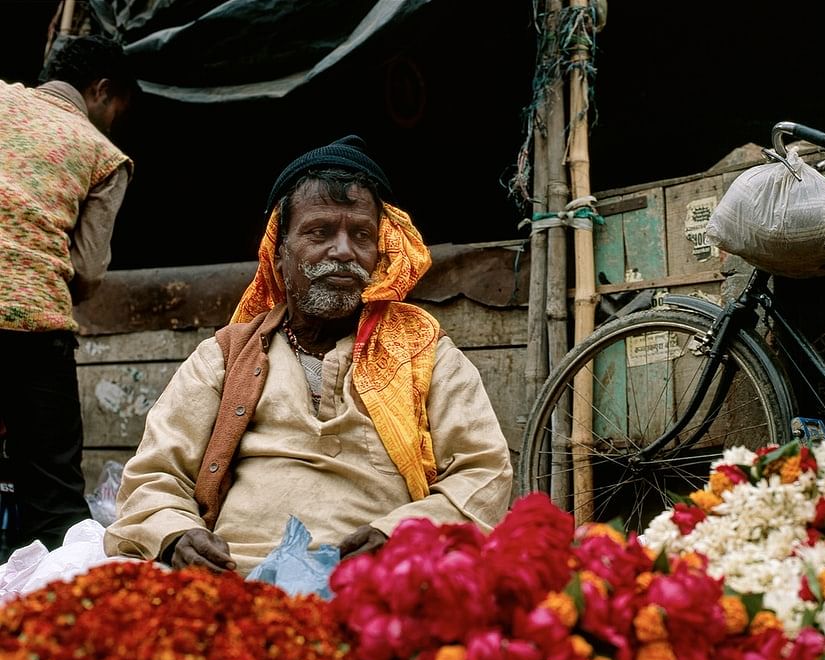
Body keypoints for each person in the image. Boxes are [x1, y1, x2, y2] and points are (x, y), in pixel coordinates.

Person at [104, 136, 513, 575]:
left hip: (375, 583)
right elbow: (153, 476)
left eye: (361, 235)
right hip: (233, 578)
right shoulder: (225, 355)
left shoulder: (424, 351)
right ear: (279, 255)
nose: (343, 251)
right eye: (319, 233)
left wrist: (398, 536)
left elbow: (483, 471)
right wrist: (177, 536)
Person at [0, 34, 137, 563]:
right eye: (117, 109)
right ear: (102, 91)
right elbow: (87, 269)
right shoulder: (104, 154)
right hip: (36, 334)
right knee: (54, 501)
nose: (113, 122)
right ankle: (56, 620)